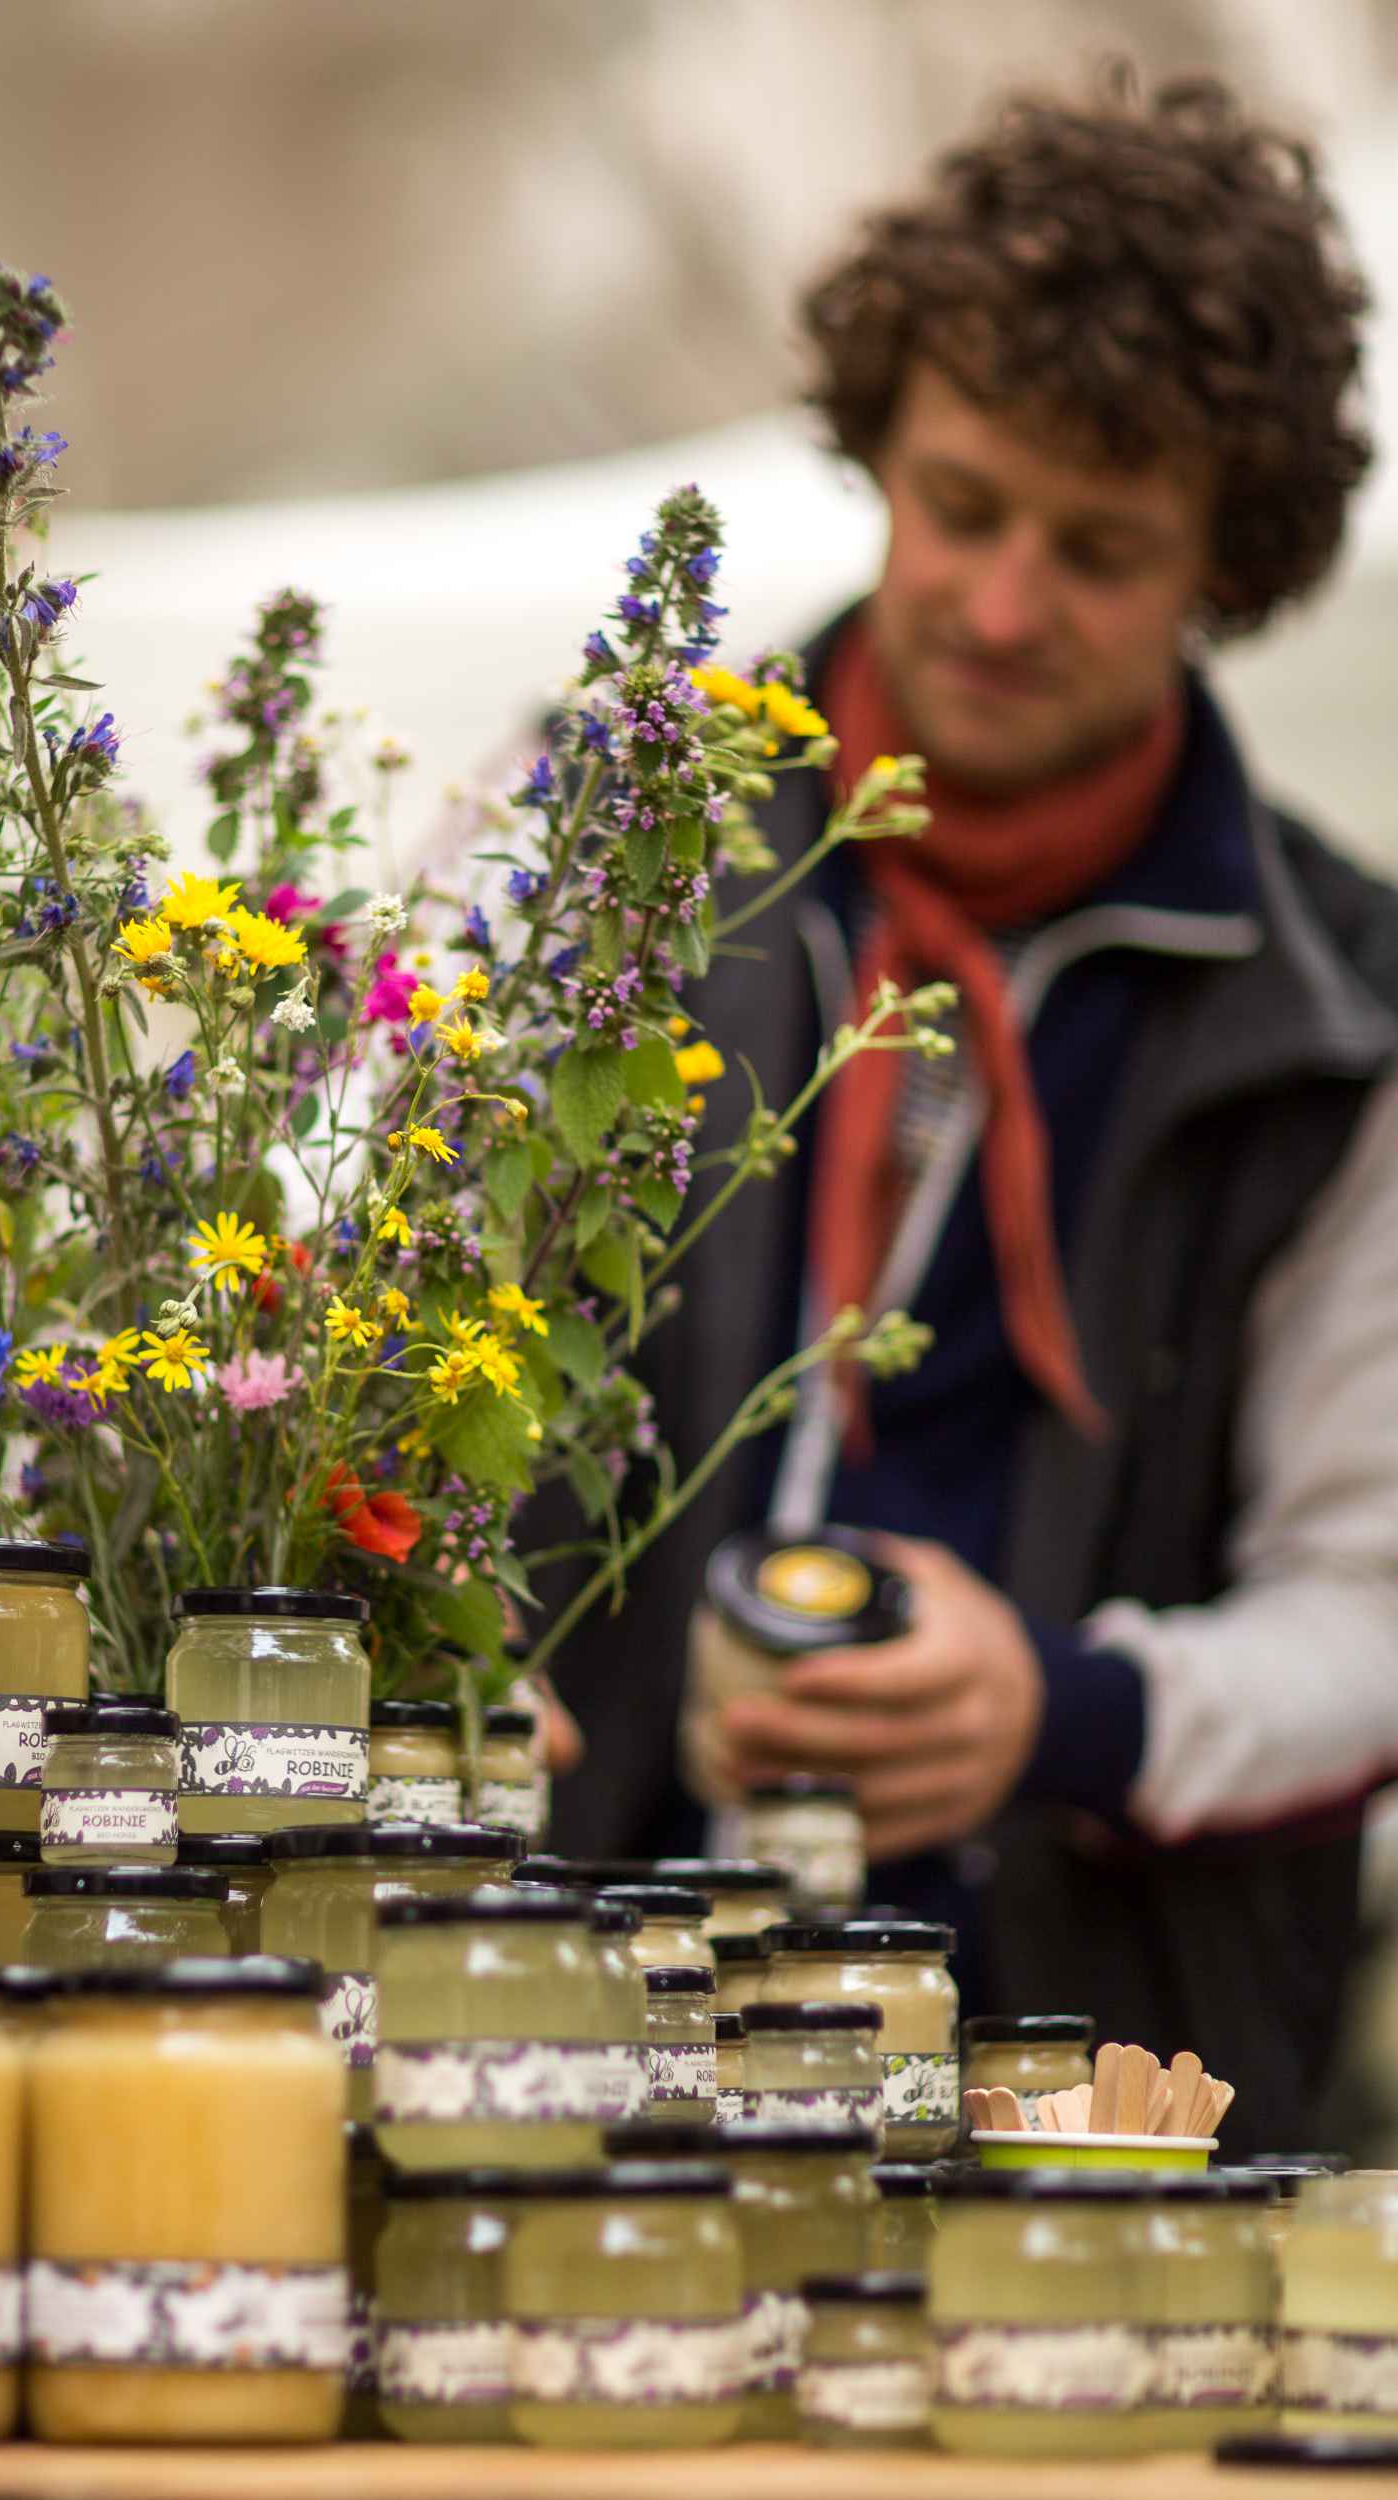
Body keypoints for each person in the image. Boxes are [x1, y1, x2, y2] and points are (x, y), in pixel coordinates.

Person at [545, 70, 1398, 2155]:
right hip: (549, 2051)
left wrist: (1061, 1706)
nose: (1004, 607)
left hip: (1085, 2107)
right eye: (961, 504)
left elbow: (1372, 1609)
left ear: (1232, 565)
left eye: (1100, 551)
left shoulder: (1350, 1014)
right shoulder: (588, 844)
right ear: (878, 450)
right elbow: (369, 1365)